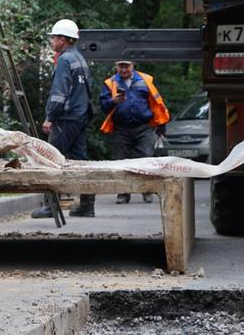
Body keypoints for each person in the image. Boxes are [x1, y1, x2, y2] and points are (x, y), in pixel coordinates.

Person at [31, 19, 96, 219]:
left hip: (66, 118)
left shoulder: (65, 59)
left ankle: (50, 206)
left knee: (50, 160)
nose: (51, 41)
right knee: (80, 161)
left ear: (62, 39)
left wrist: (50, 117)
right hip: (80, 116)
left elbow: (59, 92)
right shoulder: (80, 59)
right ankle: (87, 205)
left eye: (53, 37)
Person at [99, 60, 170, 204]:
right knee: (121, 162)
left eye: (127, 66)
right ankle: (123, 194)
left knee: (146, 160)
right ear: (116, 66)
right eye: (121, 66)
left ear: (133, 65)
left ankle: (147, 191)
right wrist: (113, 101)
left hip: (144, 127)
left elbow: (156, 102)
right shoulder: (110, 83)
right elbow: (104, 107)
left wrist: (161, 123)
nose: (124, 69)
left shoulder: (145, 80)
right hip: (121, 128)